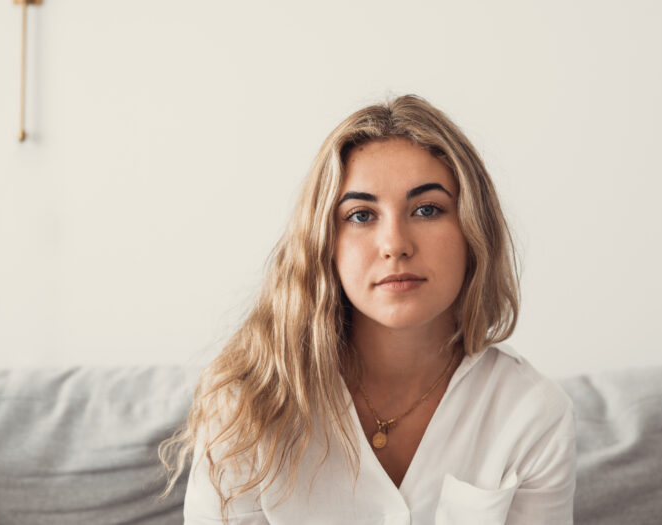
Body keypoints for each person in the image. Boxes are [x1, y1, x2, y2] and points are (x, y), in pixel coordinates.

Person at [158, 94, 576, 524]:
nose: (395, 244)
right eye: (361, 215)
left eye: (427, 209)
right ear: (324, 240)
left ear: (473, 229)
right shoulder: (244, 403)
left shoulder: (532, 411)